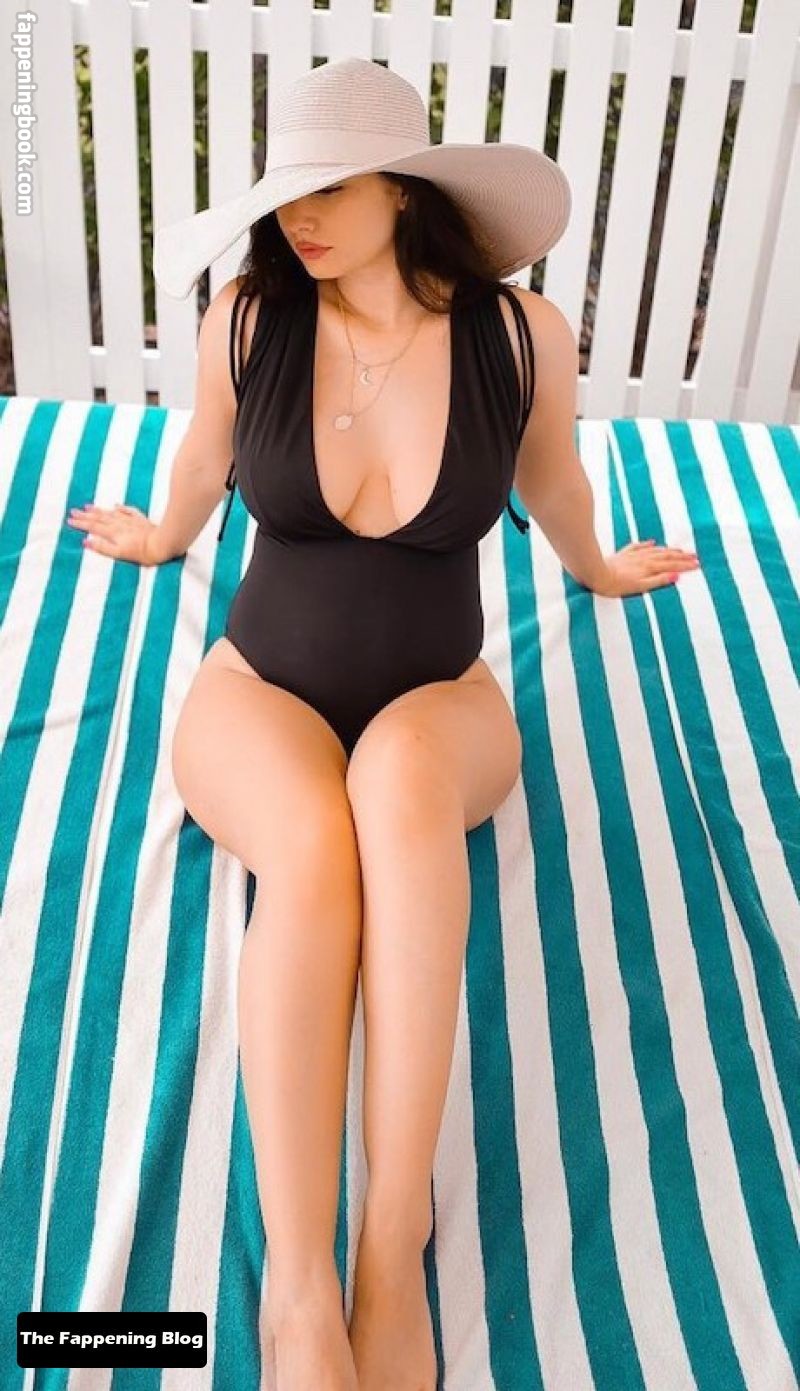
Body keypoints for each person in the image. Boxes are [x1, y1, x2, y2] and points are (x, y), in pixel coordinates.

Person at [65, 58, 700, 1391]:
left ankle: (390, 1244)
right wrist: (161, 537)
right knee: (311, 848)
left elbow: (554, 482)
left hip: (440, 696)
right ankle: (301, 1290)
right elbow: (203, 459)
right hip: (258, 689)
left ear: (406, 191)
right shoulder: (251, 318)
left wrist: (596, 569)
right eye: (285, 194)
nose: (298, 219)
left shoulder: (520, 336)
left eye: (332, 189)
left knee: (400, 793)